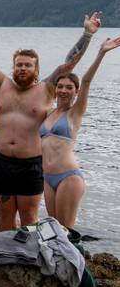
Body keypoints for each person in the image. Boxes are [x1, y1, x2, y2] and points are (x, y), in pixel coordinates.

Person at [0, 7, 101, 230]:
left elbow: (69, 64)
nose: (23, 68)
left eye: (28, 65)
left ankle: (30, 256)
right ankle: (7, 255)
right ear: (14, 67)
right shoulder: (1, 85)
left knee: (29, 215)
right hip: (2, 162)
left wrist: (87, 34)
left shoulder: (47, 89)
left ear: (36, 69)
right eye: (19, 64)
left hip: (31, 164)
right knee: (5, 214)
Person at [41, 37, 120, 228]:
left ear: (76, 92)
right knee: (54, 229)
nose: (63, 90)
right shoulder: (48, 112)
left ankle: (76, 258)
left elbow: (86, 80)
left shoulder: (75, 113)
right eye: (60, 86)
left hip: (68, 176)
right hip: (47, 178)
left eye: (69, 87)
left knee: (66, 231)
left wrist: (101, 53)